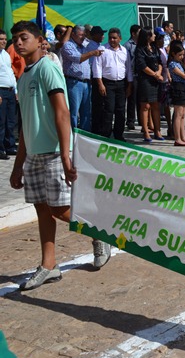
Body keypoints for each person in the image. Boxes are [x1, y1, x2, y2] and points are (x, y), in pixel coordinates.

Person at [9, 21, 111, 291]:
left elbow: (62, 112)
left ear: (39, 40)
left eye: (24, 37)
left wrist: (66, 155)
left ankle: (98, 231)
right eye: (15, 39)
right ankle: (49, 265)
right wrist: (18, 165)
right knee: (42, 209)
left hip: (55, 151)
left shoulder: (48, 68)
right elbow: (25, 124)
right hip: (34, 154)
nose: (18, 43)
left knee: (58, 208)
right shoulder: (24, 76)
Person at [92, 27, 133, 142]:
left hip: (121, 84)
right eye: (110, 38)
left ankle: (119, 135)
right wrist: (100, 84)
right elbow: (97, 68)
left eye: (114, 38)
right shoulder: (102, 49)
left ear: (120, 38)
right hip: (107, 84)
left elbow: (128, 69)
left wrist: (129, 85)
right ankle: (106, 135)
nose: (112, 40)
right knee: (108, 110)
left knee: (120, 110)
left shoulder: (124, 51)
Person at [61, 25, 102, 131]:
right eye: (80, 35)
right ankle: (72, 134)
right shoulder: (68, 45)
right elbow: (77, 58)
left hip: (86, 82)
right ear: (73, 34)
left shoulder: (84, 46)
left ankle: (84, 134)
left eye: (84, 35)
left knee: (86, 112)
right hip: (74, 82)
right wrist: (92, 53)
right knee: (74, 111)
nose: (83, 37)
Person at [134, 27, 163, 142]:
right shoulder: (140, 49)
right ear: (147, 36)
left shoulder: (154, 47)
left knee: (156, 105)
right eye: (152, 34)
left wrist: (159, 72)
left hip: (156, 80)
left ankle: (157, 130)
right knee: (145, 106)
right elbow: (142, 66)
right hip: (145, 80)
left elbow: (159, 62)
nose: (155, 36)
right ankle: (146, 131)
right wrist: (155, 74)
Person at [168, 41, 185, 147]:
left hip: (184, 88)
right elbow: (184, 75)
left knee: (183, 114)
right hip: (178, 88)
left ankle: (183, 137)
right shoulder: (172, 64)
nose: (182, 57)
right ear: (173, 54)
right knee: (178, 114)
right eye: (180, 55)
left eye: (183, 55)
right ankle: (177, 138)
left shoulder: (180, 64)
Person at [0, 29, 17, 160]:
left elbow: (10, 73)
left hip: (10, 91)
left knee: (10, 121)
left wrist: (16, 91)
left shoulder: (5, 54)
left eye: (5, 39)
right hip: (1, 91)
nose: (4, 41)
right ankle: (0, 149)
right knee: (1, 121)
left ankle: (9, 146)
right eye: (1, 39)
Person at [154, 29, 172, 139]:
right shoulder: (154, 51)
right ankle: (156, 129)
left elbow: (166, 65)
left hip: (165, 81)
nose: (162, 41)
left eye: (163, 38)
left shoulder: (163, 50)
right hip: (157, 81)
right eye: (160, 38)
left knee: (166, 105)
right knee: (156, 106)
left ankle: (170, 127)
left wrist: (168, 77)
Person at [124, 24, 141, 130]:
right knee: (132, 99)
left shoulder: (141, 44)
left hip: (141, 75)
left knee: (140, 99)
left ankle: (141, 119)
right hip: (132, 74)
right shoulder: (127, 45)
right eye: (139, 32)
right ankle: (130, 121)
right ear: (133, 33)